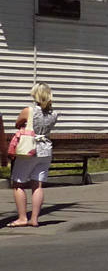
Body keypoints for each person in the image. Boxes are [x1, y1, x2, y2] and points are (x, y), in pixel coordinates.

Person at [9, 83, 59, 228]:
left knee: (18, 183)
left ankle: (22, 217)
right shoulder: (54, 114)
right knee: (37, 185)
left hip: (29, 149)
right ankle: (35, 219)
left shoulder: (29, 111)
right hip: (46, 149)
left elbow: (18, 123)